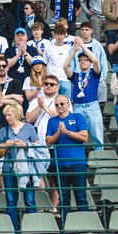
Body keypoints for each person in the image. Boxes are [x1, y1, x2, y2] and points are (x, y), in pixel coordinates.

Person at [0, 102, 42, 232]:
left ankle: (32, 230)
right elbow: (0, 154)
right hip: (8, 168)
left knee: (29, 200)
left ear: (17, 114)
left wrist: (25, 145)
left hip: (26, 168)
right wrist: (6, 145)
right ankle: (14, 231)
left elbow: (38, 148)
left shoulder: (29, 128)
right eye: (6, 115)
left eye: (9, 115)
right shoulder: (4, 130)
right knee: (11, 201)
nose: (7, 117)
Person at [45, 94, 90, 222]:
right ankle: (67, 226)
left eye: (62, 104)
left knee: (81, 196)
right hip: (60, 165)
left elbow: (84, 137)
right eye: (57, 104)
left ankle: (85, 226)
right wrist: (59, 133)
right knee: (64, 198)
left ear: (68, 104)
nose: (59, 106)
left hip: (78, 163)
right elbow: (48, 141)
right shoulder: (52, 121)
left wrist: (67, 132)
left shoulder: (77, 117)